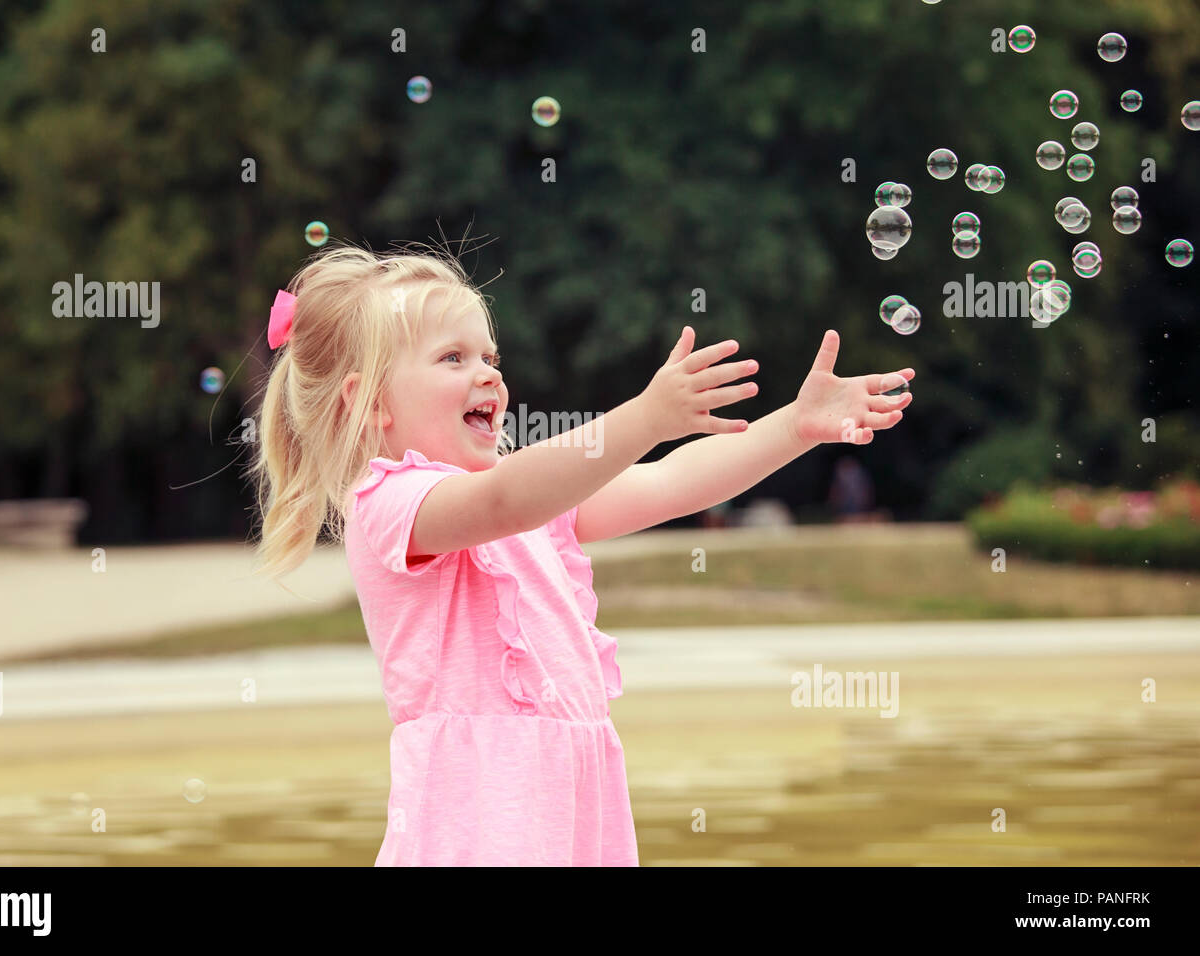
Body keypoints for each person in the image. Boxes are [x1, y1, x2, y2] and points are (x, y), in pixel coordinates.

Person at [246, 242, 914, 865]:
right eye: (453, 358)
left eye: (491, 358)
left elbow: (670, 483)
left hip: (571, 802)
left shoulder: (528, 501)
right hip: (478, 815)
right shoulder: (390, 502)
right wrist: (645, 419)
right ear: (368, 405)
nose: (486, 375)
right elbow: (508, 499)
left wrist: (793, 427)